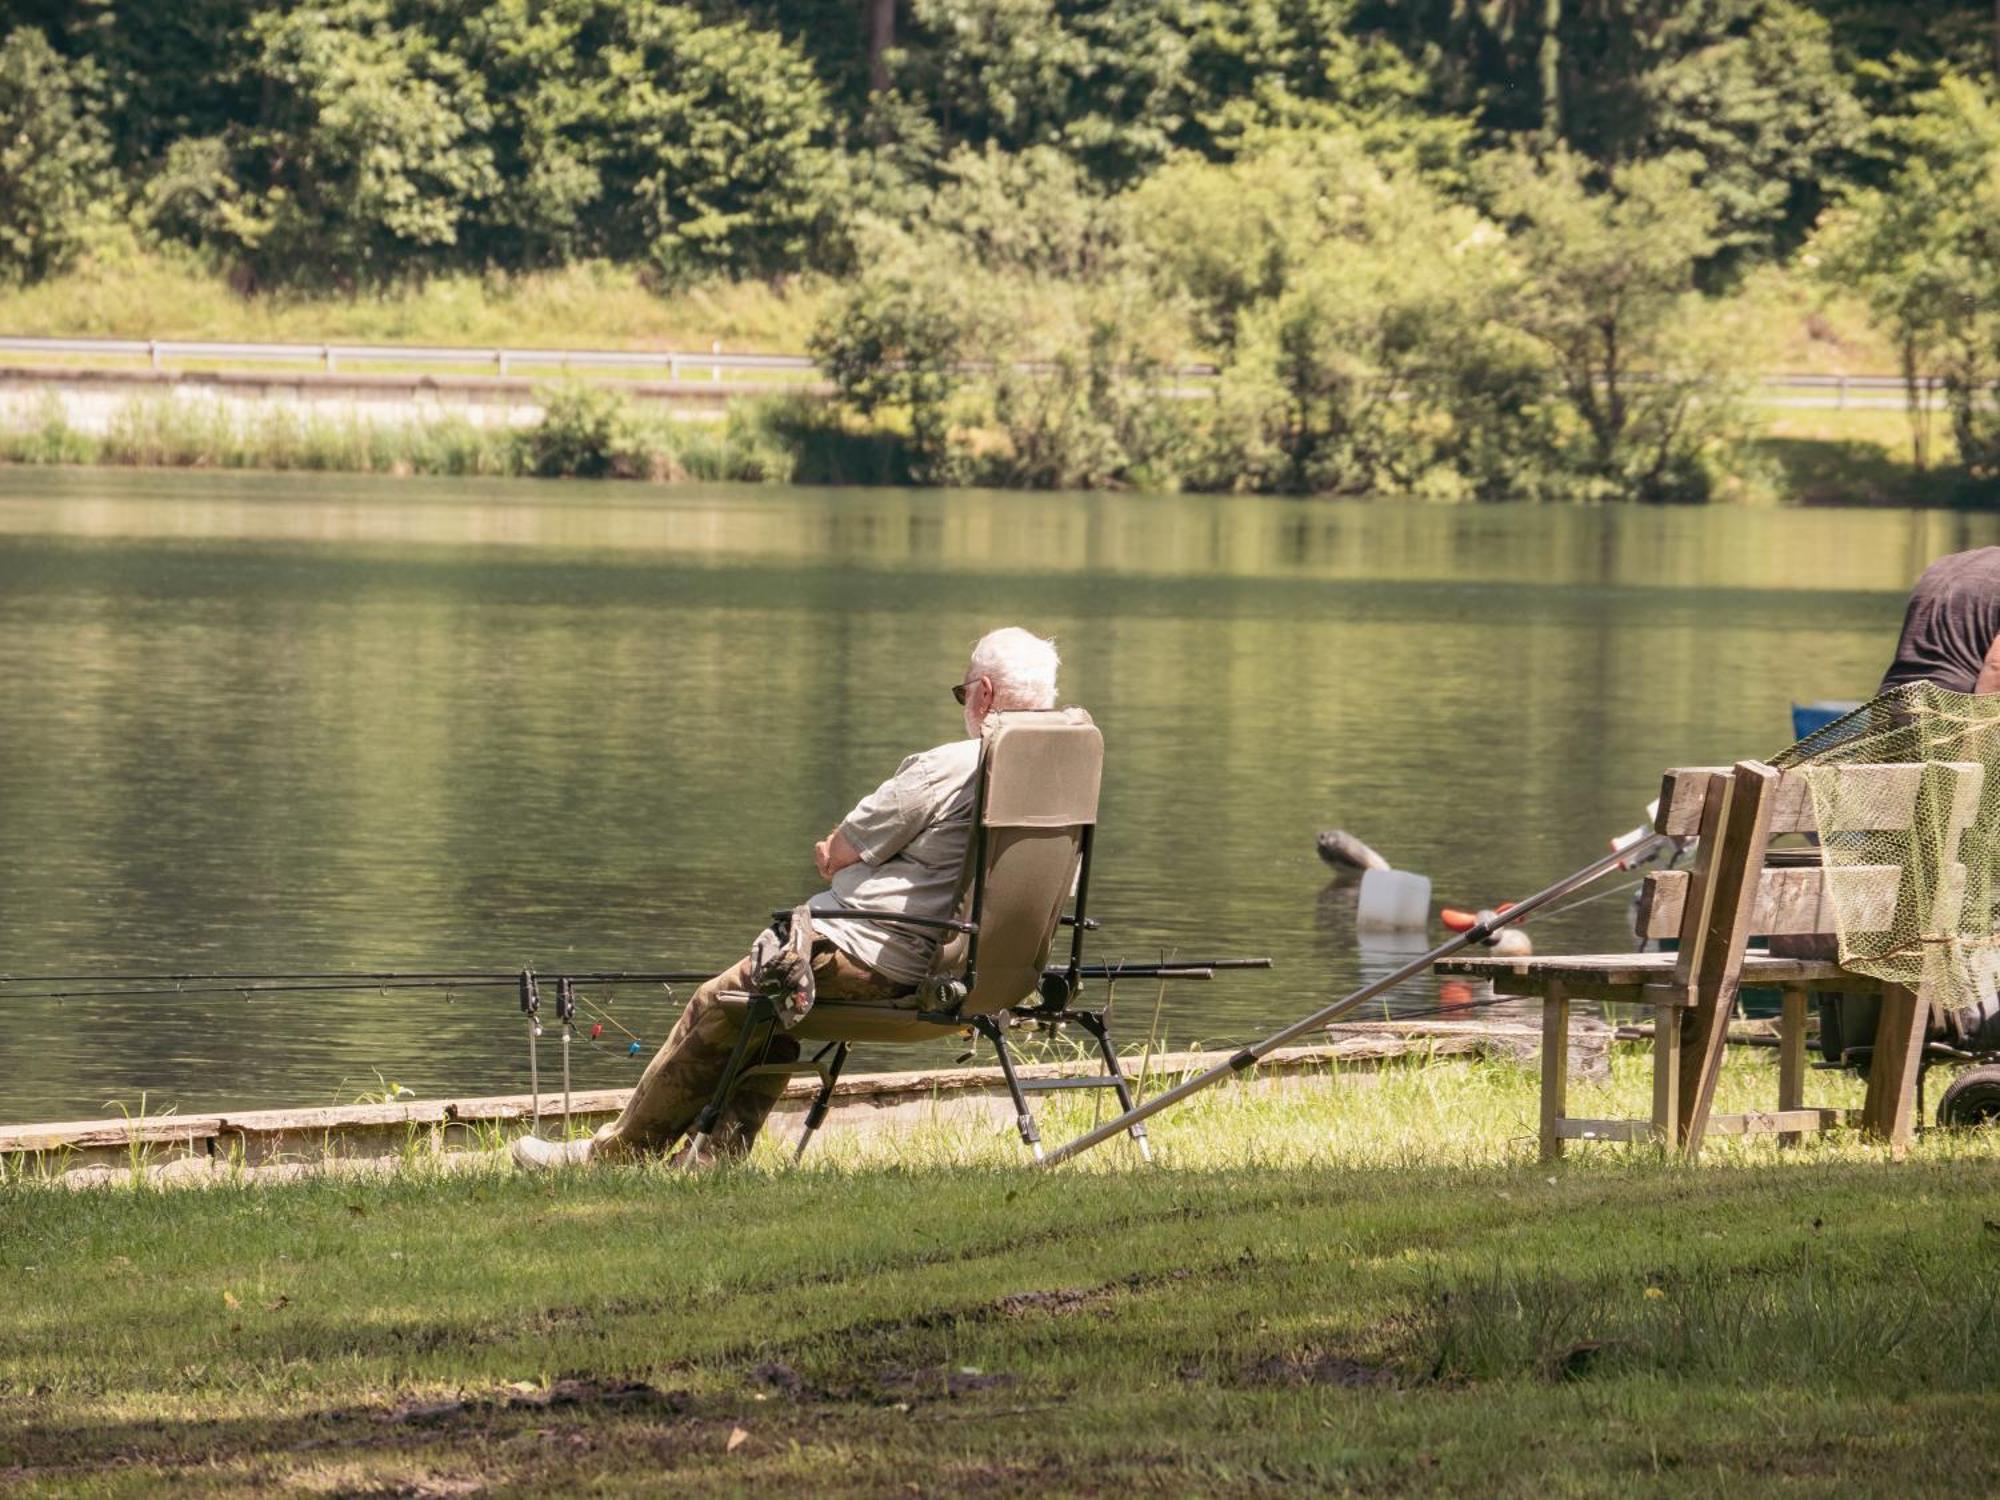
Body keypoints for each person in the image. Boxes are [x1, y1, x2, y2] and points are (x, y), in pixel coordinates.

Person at [513, 626, 1064, 1169]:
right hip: (987, 974)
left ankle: (615, 1157)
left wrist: (836, 853)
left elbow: (840, 850)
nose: (963, 701)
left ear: (985, 693)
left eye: (963, 690)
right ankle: (715, 1157)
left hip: (883, 961)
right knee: (773, 1005)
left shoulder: (950, 765)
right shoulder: (1060, 777)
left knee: (726, 999)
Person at [1879, 547, 2000, 696]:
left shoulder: (1951, 562)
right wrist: (1984, 716)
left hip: (1894, 697)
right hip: (1952, 706)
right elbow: (1996, 666)